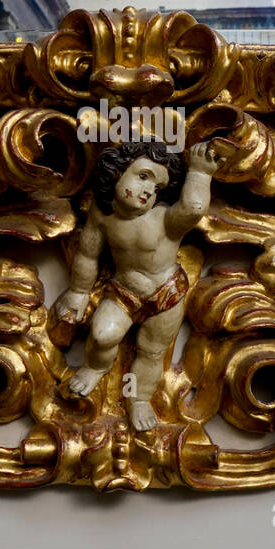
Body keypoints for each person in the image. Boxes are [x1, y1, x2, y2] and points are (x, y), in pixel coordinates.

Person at [57, 140, 219, 432]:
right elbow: (88, 253)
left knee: (151, 352)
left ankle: (140, 398)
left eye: (157, 188)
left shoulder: (164, 219)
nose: (148, 190)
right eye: (143, 176)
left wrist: (200, 172)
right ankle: (96, 367)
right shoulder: (101, 215)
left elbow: (193, 209)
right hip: (123, 292)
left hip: (167, 293)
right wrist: (78, 292)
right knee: (103, 335)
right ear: (117, 171)